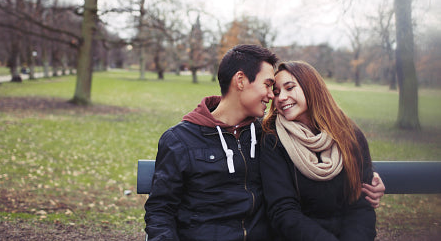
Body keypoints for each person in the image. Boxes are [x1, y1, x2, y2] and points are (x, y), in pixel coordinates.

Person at [145, 46, 384, 241]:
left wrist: (369, 178)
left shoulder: (266, 135)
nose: (273, 97)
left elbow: (323, 152)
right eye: (269, 86)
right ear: (240, 80)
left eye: (278, 88)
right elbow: (160, 211)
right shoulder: (180, 140)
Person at [260, 61, 377, 241]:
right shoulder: (273, 140)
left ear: (311, 88)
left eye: (290, 88)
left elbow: (360, 206)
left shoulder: (351, 136)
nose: (281, 97)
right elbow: (283, 212)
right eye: (276, 93)